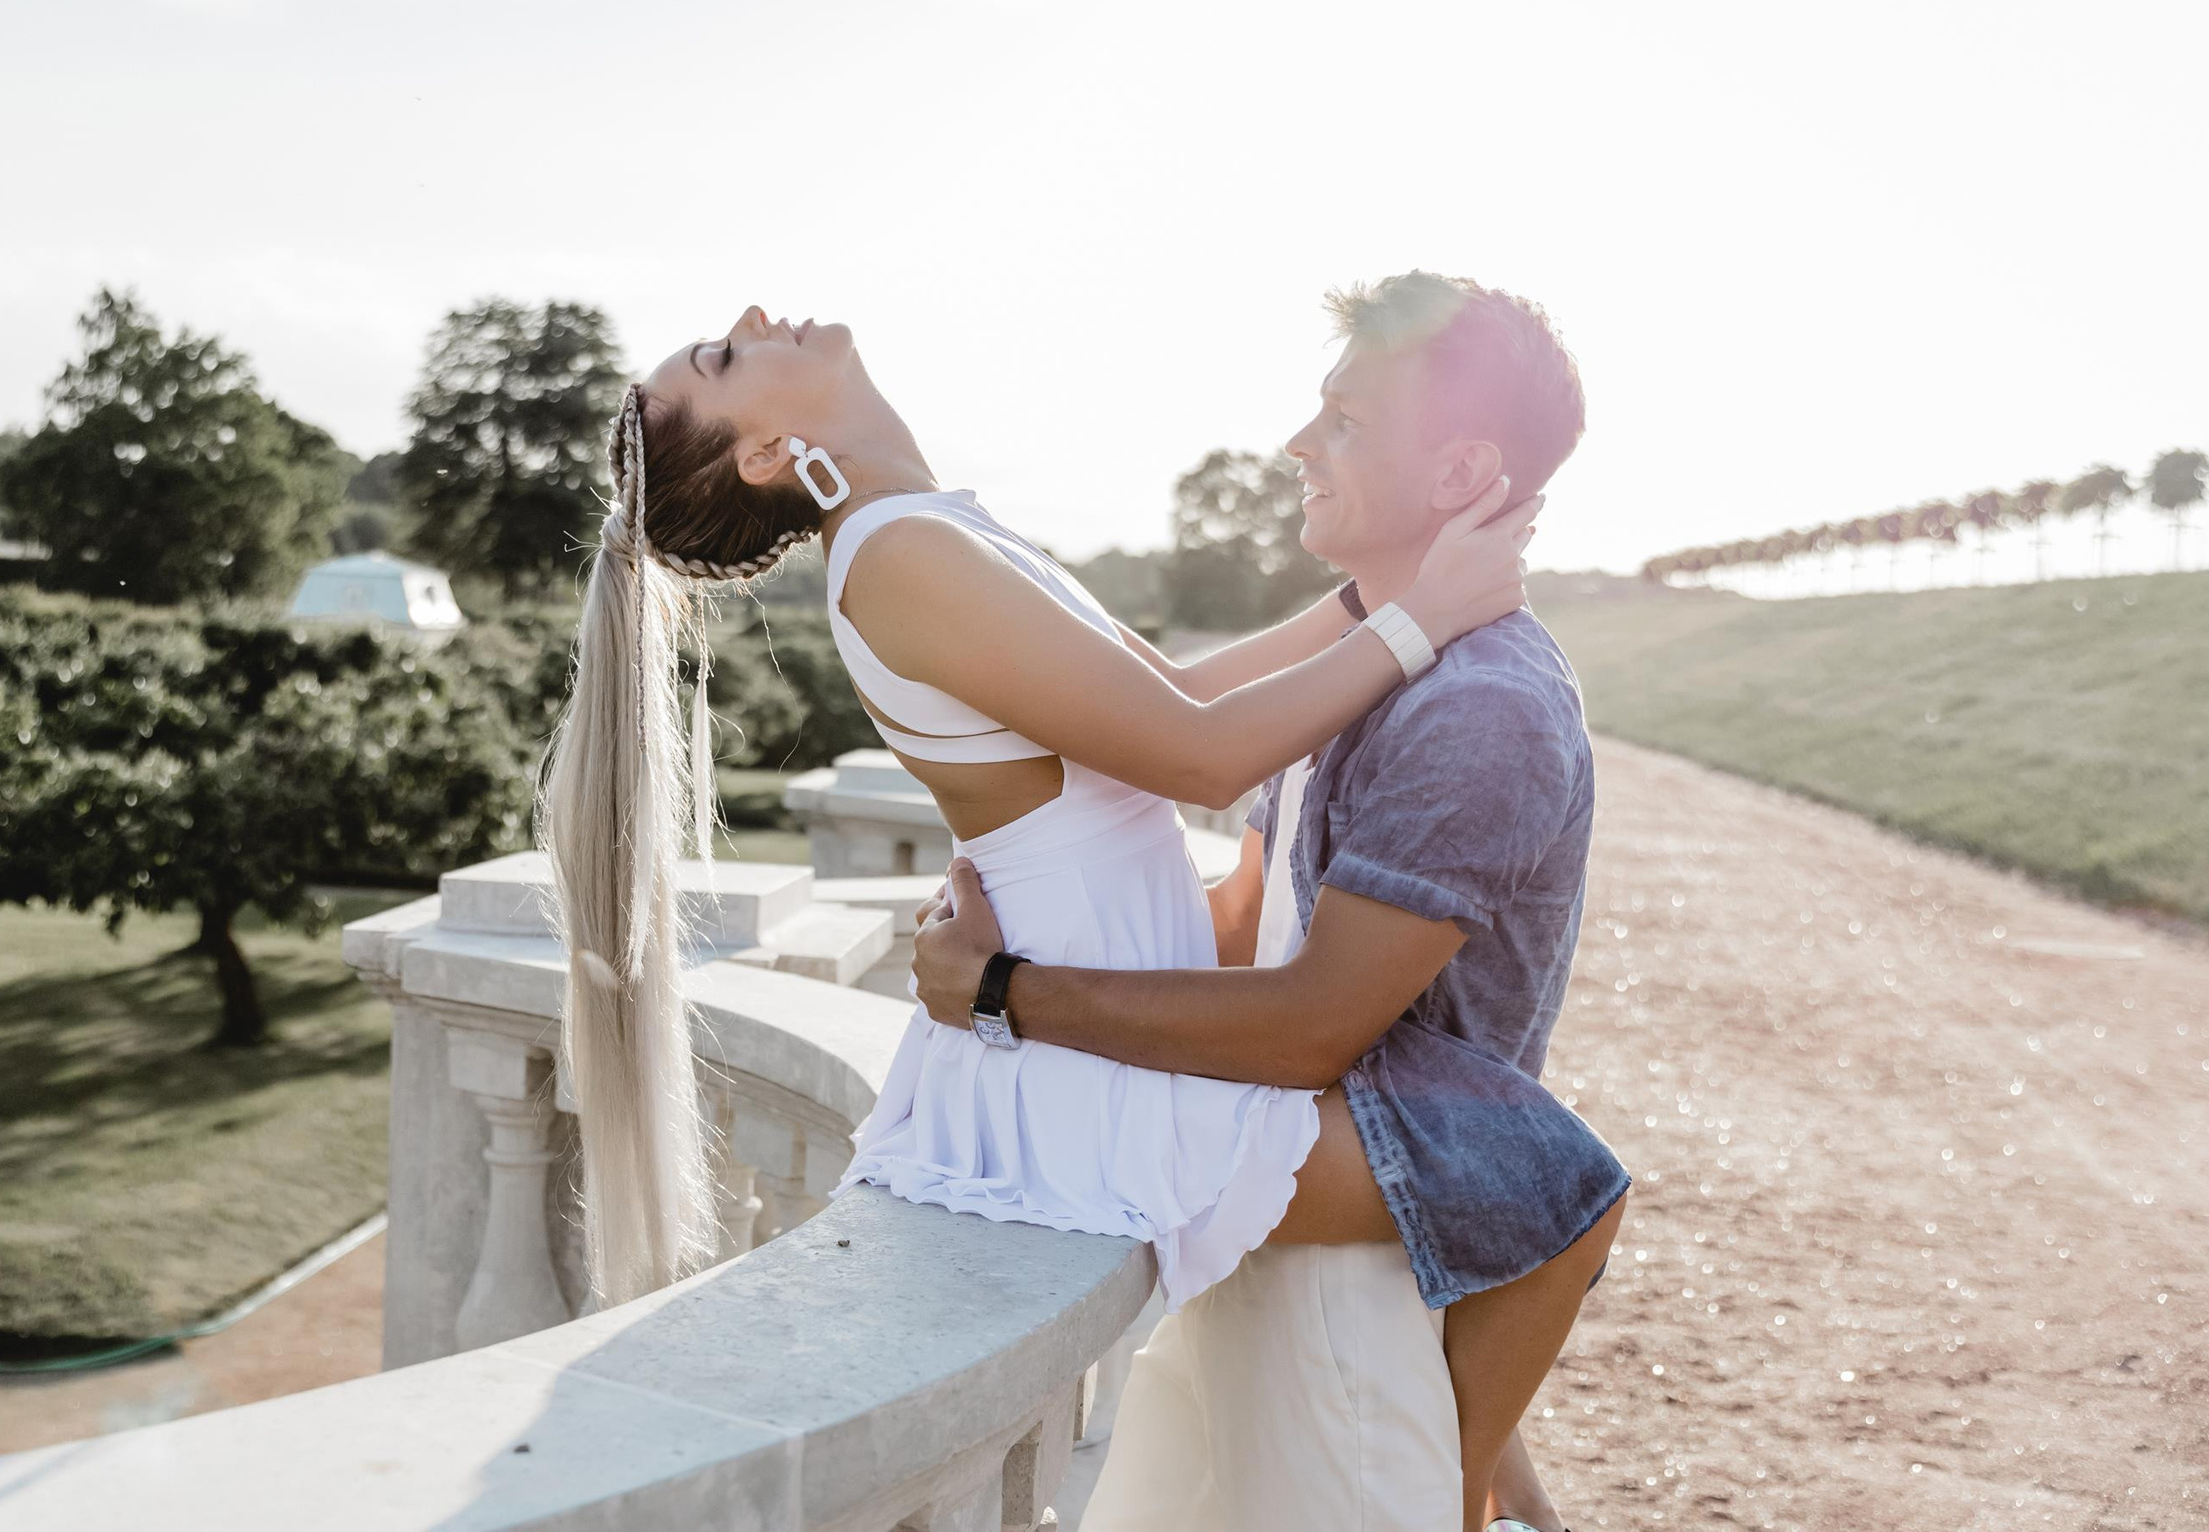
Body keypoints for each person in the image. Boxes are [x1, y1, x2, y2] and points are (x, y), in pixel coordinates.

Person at [539, 285, 1619, 1531]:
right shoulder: (897, 552)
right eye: (724, 357)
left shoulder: (924, 527)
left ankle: (1482, 1485)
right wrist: (1422, 616)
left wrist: (1385, 600)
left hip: (1095, 1031)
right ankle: (1475, 1497)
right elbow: (1202, 756)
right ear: (770, 452)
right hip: (1074, 1058)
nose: (752, 313)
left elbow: (1170, 694)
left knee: (1507, 1217)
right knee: (1553, 1184)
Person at [911, 271, 1628, 1531]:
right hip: (1265, 1228)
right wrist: (1022, 930)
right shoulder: (1369, 666)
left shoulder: (1482, 708)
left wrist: (1006, 994)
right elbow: (1246, 920)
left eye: (1345, 420)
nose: (1300, 443)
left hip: (1361, 1287)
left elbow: (1310, 1026)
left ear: (1462, 472)